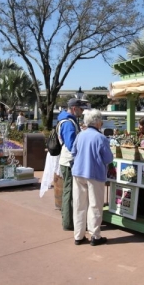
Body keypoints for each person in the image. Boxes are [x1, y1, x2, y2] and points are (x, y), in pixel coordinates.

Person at [71, 109, 113, 245]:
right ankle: (95, 235)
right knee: (95, 205)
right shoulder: (101, 138)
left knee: (79, 204)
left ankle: (78, 235)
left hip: (78, 172)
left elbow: (73, 152)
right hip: (94, 174)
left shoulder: (80, 135)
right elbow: (108, 158)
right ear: (98, 122)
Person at [58, 98, 88, 231]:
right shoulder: (69, 123)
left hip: (66, 160)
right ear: (74, 108)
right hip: (69, 161)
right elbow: (71, 145)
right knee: (69, 192)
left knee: (68, 191)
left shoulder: (66, 120)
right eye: (81, 109)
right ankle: (68, 222)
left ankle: (68, 219)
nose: (82, 112)